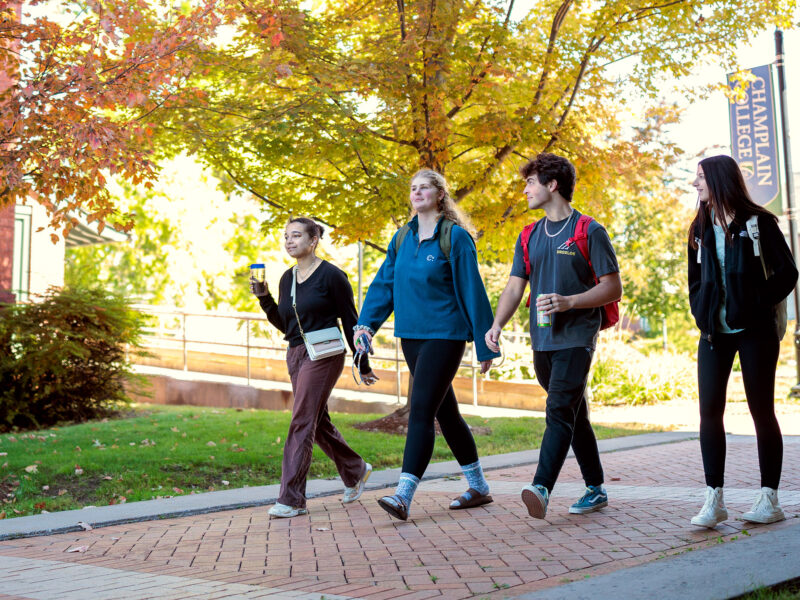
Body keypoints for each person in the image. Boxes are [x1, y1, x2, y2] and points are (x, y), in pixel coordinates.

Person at [354, 169, 500, 521]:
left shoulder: (456, 238)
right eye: (413, 188)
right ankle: (479, 487)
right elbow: (384, 284)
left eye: (425, 188)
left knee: (421, 410)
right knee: (445, 412)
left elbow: (472, 291)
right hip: (412, 337)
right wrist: (366, 324)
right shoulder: (402, 237)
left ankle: (403, 494)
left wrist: (486, 345)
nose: (417, 192)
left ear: (440, 194)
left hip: (445, 335)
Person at [485, 152, 622, 520]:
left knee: (559, 409)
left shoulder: (589, 230)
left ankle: (541, 486)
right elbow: (515, 287)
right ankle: (595, 488)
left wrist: (570, 302)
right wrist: (497, 324)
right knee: (574, 413)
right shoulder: (529, 235)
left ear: (552, 184)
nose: (525, 189)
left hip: (577, 337)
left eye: (530, 182)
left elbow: (612, 288)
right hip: (542, 340)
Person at [687, 155, 797, 528]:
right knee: (708, 414)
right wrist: (701, 311)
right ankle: (713, 499)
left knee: (761, 411)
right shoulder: (699, 227)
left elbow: (788, 273)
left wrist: (755, 303)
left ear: (718, 180)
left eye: (700, 177)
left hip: (755, 332)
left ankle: (769, 498)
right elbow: (695, 280)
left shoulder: (759, 223)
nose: (694, 184)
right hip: (713, 333)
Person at [250, 217, 378, 518]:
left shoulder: (332, 276)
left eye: (296, 236)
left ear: (313, 241)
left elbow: (350, 319)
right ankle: (355, 470)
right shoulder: (286, 278)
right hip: (296, 353)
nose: (289, 241)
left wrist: (363, 362)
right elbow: (286, 324)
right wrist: (265, 299)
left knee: (301, 420)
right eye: (286, 237)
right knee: (315, 420)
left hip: (324, 355)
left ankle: (292, 499)